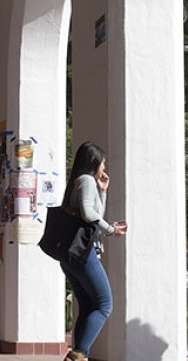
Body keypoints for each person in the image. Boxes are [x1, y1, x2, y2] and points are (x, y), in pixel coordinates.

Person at [59, 142, 127, 361]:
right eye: (103, 162)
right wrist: (110, 230)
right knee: (105, 305)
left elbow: (93, 211)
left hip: (70, 254)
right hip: (84, 253)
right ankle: (78, 354)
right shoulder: (87, 180)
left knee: (87, 305)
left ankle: (78, 353)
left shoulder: (78, 182)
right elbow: (89, 214)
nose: (104, 166)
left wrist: (103, 192)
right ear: (94, 162)